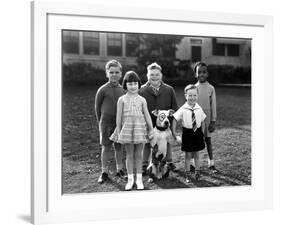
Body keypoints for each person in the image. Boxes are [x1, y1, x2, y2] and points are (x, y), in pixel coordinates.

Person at [110, 71, 153, 190]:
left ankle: (139, 180)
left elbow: (147, 114)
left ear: (139, 84)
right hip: (127, 129)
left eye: (135, 83)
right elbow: (118, 117)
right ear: (125, 85)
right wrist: (119, 131)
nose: (133, 86)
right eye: (130, 84)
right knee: (129, 155)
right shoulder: (121, 99)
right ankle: (130, 180)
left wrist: (150, 129)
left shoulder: (142, 99)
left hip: (139, 128)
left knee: (138, 155)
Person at [139, 62, 178, 174]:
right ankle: (144, 164)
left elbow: (175, 108)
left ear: (161, 75)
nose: (154, 77)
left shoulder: (169, 89)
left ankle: (169, 162)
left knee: (167, 142)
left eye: (157, 74)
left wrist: (170, 120)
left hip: (164, 124)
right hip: (149, 123)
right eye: (151, 74)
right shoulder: (141, 90)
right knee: (147, 143)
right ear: (147, 75)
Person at [95, 60, 126, 184]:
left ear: (121, 74)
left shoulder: (123, 89)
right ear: (107, 73)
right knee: (106, 147)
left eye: (116, 72)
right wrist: (101, 123)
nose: (114, 74)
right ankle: (104, 172)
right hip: (106, 123)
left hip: (119, 123)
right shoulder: (102, 90)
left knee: (119, 147)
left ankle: (120, 170)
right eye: (111, 72)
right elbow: (97, 108)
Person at [172, 85, 206, 182]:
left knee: (197, 154)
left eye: (194, 95)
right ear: (185, 96)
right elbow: (174, 119)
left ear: (197, 95)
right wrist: (174, 133)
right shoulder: (183, 108)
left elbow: (203, 120)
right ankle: (187, 174)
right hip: (188, 133)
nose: (192, 98)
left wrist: (202, 133)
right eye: (190, 95)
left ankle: (197, 172)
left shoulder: (199, 108)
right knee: (188, 155)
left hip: (198, 133)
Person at [194, 61, 217, 173]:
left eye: (204, 72)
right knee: (196, 141)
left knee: (208, 140)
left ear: (207, 74)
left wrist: (213, 121)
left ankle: (211, 163)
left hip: (207, 118)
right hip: (196, 118)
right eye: (199, 72)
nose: (201, 74)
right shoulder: (193, 88)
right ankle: (194, 163)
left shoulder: (211, 88)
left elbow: (213, 105)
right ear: (196, 74)